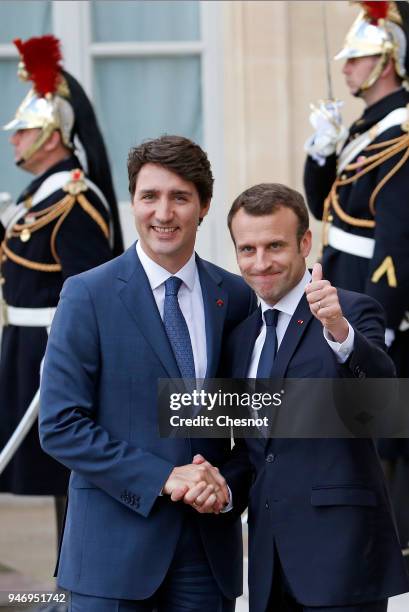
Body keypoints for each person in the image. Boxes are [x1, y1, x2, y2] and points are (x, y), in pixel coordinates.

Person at [39, 134, 256, 611]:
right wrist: (163, 477)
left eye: (180, 197)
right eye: (149, 196)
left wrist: (223, 489)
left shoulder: (236, 298)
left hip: (207, 552)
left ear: (204, 206)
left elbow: (245, 422)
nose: (163, 213)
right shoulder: (87, 296)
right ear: (132, 201)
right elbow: (60, 426)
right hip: (111, 555)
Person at [222, 182, 409, 612]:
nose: (261, 262)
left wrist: (341, 334)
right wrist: (219, 487)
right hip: (268, 565)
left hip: (342, 562)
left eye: (274, 245)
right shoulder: (239, 336)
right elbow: (254, 451)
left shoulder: (351, 310)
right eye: (247, 249)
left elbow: (382, 404)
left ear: (305, 242)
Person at [0, 35, 123, 540]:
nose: (14, 139)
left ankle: (76, 579)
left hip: (54, 349)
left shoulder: (73, 197)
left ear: (52, 134)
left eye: (23, 131)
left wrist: (72, 356)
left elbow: (87, 290)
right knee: (50, 474)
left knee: (68, 468)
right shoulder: (40, 195)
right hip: (26, 346)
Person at [303, 1, 409, 551]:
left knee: (377, 427)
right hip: (343, 277)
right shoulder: (367, 129)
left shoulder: (401, 132)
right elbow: (322, 206)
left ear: (387, 58)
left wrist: (379, 322)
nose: (345, 68)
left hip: (370, 288)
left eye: (357, 58)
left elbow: (395, 236)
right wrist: (322, 152)